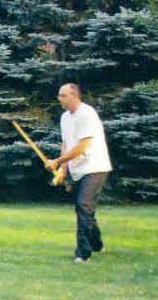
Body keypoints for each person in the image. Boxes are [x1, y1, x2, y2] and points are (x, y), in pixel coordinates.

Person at [46, 83, 112, 263]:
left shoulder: (87, 114)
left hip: (95, 166)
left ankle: (83, 254)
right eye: (59, 95)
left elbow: (82, 146)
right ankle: (97, 244)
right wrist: (62, 169)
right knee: (84, 208)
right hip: (77, 169)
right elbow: (66, 144)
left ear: (74, 96)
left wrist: (58, 161)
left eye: (63, 95)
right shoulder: (65, 117)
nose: (59, 99)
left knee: (84, 206)